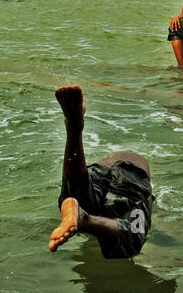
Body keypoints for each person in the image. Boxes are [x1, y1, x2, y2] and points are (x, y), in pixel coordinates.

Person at [49, 85, 153, 258]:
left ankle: (74, 131)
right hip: (132, 178)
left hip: (100, 172)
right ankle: (86, 221)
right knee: (134, 233)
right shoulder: (133, 160)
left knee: (79, 192)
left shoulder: (111, 160)